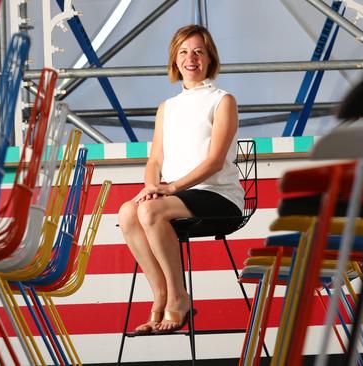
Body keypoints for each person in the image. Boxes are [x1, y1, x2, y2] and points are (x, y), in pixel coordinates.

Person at [118, 24, 244, 334]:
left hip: (219, 197)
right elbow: (155, 160)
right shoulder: (167, 108)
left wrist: (169, 188)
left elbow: (215, 162)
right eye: (184, 52)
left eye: (199, 52)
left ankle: (177, 299)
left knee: (150, 210)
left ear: (209, 59)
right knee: (127, 211)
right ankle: (160, 296)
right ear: (175, 60)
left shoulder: (222, 100)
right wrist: (151, 186)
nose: (191, 58)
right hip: (176, 198)